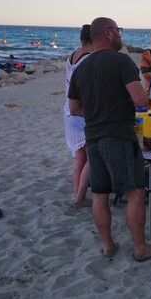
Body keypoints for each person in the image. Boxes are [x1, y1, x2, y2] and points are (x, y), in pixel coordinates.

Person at [67, 17, 151, 263]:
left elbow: (74, 108)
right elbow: (140, 101)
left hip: (93, 137)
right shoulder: (121, 61)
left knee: (100, 194)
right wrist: (116, 108)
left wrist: (99, 110)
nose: (120, 35)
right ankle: (140, 247)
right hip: (119, 135)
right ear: (108, 33)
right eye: (118, 31)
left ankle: (108, 245)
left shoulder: (81, 68)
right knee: (135, 192)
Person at [64, 24, 93, 208]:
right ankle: (80, 197)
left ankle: (77, 195)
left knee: (80, 156)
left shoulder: (71, 56)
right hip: (83, 112)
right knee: (91, 157)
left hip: (69, 110)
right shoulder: (89, 59)